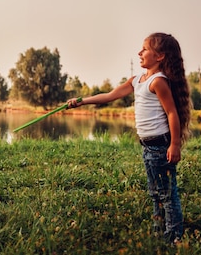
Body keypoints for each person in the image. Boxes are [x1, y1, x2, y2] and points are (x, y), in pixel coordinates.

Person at [67, 32, 191, 244]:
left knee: (168, 195)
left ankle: (174, 238)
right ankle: (158, 228)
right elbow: (109, 96)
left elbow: (173, 113)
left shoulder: (158, 81)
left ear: (160, 56)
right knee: (155, 192)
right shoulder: (137, 80)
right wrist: (81, 101)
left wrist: (175, 144)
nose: (139, 52)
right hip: (147, 147)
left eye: (145, 49)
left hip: (160, 146)